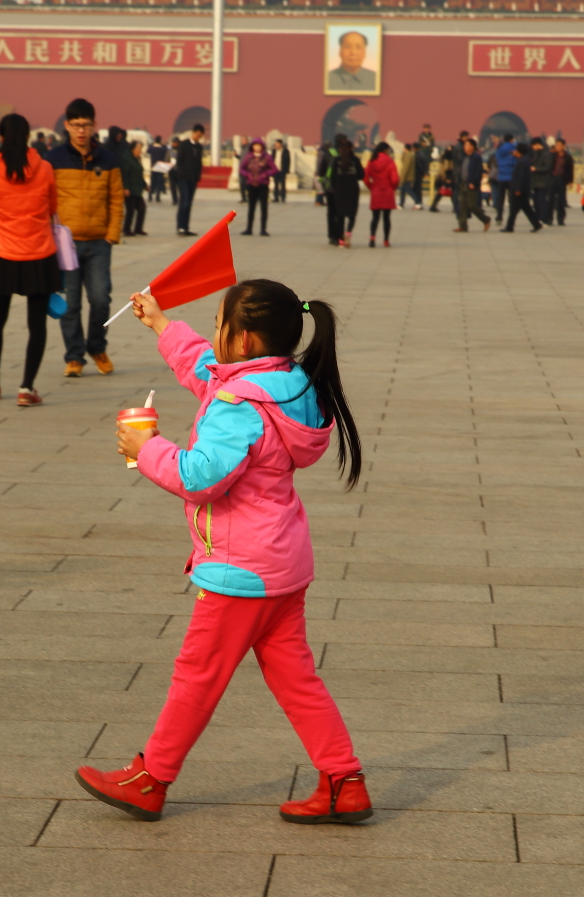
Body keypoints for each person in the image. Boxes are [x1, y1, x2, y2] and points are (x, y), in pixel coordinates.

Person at [75, 277, 370, 825]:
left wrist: (148, 450)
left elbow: (201, 475)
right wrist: (164, 326)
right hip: (283, 563)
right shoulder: (290, 382)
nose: (214, 337)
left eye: (220, 326)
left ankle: (150, 778)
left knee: (197, 675)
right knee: (295, 677)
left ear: (246, 341)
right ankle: (343, 781)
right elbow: (208, 370)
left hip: (242, 568)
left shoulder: (238, 406)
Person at [0, 112, 60, 406]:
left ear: (0, 137)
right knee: (36, 323)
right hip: (40, 254)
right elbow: (52, 207)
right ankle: (26, 388)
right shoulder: (46, 168)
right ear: (28, 137)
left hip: (4, 253)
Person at [44, 96, 124, 379]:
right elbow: (45, 199)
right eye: (76, 125)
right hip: (65, 244)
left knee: (101, 298)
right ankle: (74, 356)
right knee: (72, 303)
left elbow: (116, 200)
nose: (81, 130)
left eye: (86, 125)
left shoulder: (108, 160)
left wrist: (112, 235)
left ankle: (97, 347)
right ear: (67, 125)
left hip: (99, 242)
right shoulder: (53, 159)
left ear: (94, 126)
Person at [323, 132, 362, 246]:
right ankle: (347, 234)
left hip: (336, 190)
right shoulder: (355, 160)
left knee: (336, 214)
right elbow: (361, 175)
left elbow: (329, 174)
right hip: (352, 191)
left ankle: (336, 237)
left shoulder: (331, 155)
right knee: (351, 214)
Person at [364, 140, 399, 246]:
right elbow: (395, 179)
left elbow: (365, 179)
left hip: (376, 191)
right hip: (387, 191)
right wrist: (393, 188)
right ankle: (386, 240)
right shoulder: (390, 161)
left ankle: (372, 238)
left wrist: (372, 187)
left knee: (375, 217)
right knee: (386, 218)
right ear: (385, 150)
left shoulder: (371, 161)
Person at [171, 123, 204, 234]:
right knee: (184, 202)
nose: (198, 138)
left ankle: (186, 227)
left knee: (189, 203)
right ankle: (180, 227)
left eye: (200, 136)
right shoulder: (184, 144)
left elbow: (199, 162)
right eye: (197, 135)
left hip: (193, 179)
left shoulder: (199, 147)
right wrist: (181, 174)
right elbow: (179, 161)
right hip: (183, 178)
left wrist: (197, 176)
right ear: (193, 132)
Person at [240, 137, 276, 235]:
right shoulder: (248, 157)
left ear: (262, 146)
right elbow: (241, 168)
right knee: (251, 207)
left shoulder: (267, 157)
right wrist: (247, 175)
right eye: (255, 145)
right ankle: (249, 229)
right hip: (251, 185)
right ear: (252, 146)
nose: (257, 147)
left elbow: (274, 169)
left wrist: (265, 174)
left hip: (263, 185)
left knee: (263, 208)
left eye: (259, 145)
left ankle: (263, 229)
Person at [454, 136, 489, 233]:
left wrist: (473, 182)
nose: (464, 147)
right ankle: (463, 226)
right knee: (462, 206)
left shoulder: (476, 157)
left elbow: (478, 171)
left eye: (467, 145)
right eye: (464, 145)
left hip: (471, 185)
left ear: (472, 147)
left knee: (472, 206)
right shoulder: (465, 157)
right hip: (463, 184)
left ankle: (486, 219)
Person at [503, 142, 540, 232]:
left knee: (513, 210)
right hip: (523, 189)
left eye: (515, 150)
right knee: (527, 209)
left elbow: (521, 177)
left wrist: (518, 189)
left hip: (520, 190)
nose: (514, 152)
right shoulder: (523, 160)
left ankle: (509, 227)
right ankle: (536, 224)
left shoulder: (522, 162)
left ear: (519, 151)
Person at [121, 137, 147, 236]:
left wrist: (145, 185)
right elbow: (125, 175)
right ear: (133, 149)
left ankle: (138, 229)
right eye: (139, 149)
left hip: (137, 190)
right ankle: (127, 229)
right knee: (130, 210)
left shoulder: (136, 159)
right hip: (130, 189)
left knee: (142, 208)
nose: (140, 151)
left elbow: (139, 174)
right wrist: (126, 188)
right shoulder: (126, 159)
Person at [491, 133, 516, 223]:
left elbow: (496, 161)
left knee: (500, 198)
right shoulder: (514, 148)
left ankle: (499, 216)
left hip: (501, 177)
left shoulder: (499, 150)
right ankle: (511, 217)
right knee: (511, 199)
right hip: (511, 177)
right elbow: (516, 161)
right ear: (511, 140)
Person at [529, 136, 554, 227]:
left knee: (541, 201)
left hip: (543, 181)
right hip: (536, 181)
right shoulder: (537, 153)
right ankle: (539, 217)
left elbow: (547, 167)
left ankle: (544, 218)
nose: (533, 148)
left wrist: (535, 169)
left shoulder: (546, 154)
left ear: (537, 145)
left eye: (533, 146)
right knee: (536, 201)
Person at [552, 138, 574, 225]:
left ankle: (560, 219)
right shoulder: (552, 155)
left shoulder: (568, 157)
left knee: (561, 200)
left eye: (559, 145)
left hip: (562, 179)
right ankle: (549, 219)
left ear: (564, 146)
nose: (557, 147)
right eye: (556, 145)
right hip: (552, 178)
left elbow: (570, 170)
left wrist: (570, 181)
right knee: (550, 200)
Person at [147, 136, 170, 202]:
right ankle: (158, 197)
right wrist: (163, 144)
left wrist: (152, 144)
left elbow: (148, 150)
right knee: (159, 183)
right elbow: (167, 148)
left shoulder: (152, 149)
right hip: (160, 166)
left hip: (153, 166)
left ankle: (150, 196)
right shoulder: (162, 149)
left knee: (152, 182)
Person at [273, 137, 291, 203]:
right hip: (275, 170)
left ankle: (283, 197)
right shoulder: (274, 151)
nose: (276, 145)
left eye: (277, 144)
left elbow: (288, 161)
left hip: (282, 170)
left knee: (283, 184)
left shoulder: (286, 151)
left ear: (281, 144)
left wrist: (287, 170)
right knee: (276, 184)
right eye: (275, 144)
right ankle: (276, 197)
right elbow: (272, 160)